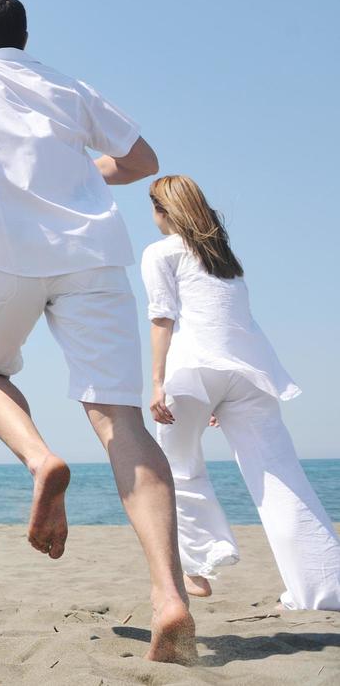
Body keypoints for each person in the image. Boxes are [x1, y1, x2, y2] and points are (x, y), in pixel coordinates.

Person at [0, 0, 195, 663]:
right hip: (92, 257)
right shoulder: (69, 86)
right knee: (122, 424)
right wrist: (82, 176)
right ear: (24, 39)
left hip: (4, 252)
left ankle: (40, 458)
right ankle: (168, 595)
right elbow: (143, 159)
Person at [143, 174, 340, 610]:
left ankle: (201, 562)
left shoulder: (161, 253)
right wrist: (222, 395)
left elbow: (162, 319)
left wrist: (157, 382)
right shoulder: (224, 258)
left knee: (178, 465)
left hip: (194, 369)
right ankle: (324, 586)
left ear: (163, 211)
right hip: (249, 371)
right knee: (280, 475)